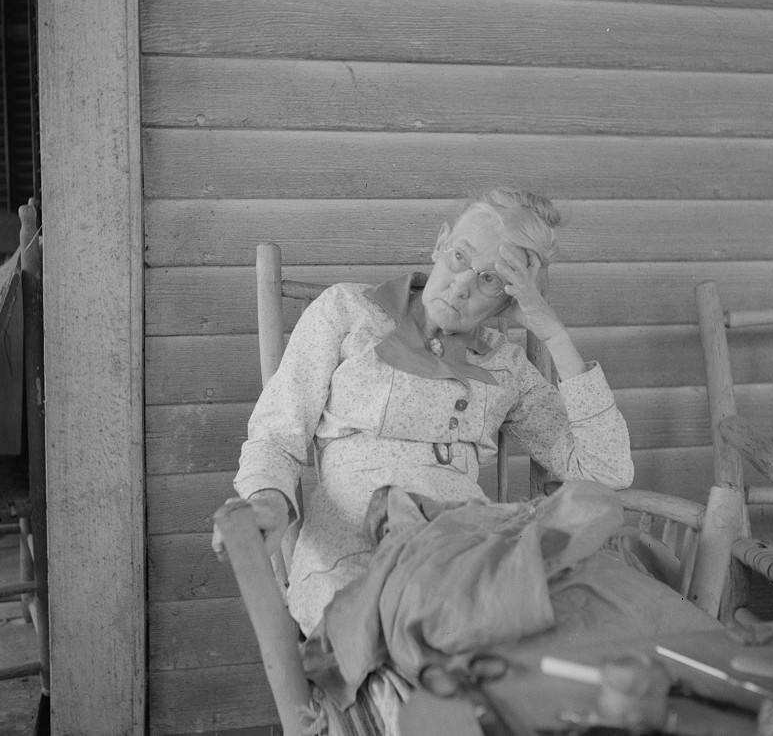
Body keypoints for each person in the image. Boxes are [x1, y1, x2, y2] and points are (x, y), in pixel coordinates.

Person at [214, 189, 634, 637]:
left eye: (490, 279)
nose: (462, 285)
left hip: (467, 552)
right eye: (459, 256)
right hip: (358, 553)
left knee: (582, 625)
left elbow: (606, 470)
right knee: (425, 640)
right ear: (440, 243)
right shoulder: (348, 311)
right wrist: (269, 501)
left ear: (510, 300)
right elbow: (277, 434)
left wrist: (554, 335)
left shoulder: (505, 366)